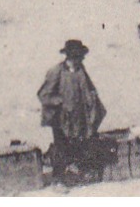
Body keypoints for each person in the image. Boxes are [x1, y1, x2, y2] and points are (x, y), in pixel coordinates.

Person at [38, 39, 106, 187]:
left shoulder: (81, 70)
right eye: (75, 57)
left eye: (80, 57)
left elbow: (89, 89)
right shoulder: (56, 72)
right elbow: (43, 95)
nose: (78, 60)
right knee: (61, 147)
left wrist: (92, 103)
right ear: (68, 57)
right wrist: (60, 102)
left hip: (79, 117)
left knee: (79, 144)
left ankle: (76, 173)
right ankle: (58, 180)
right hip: (61, 119)